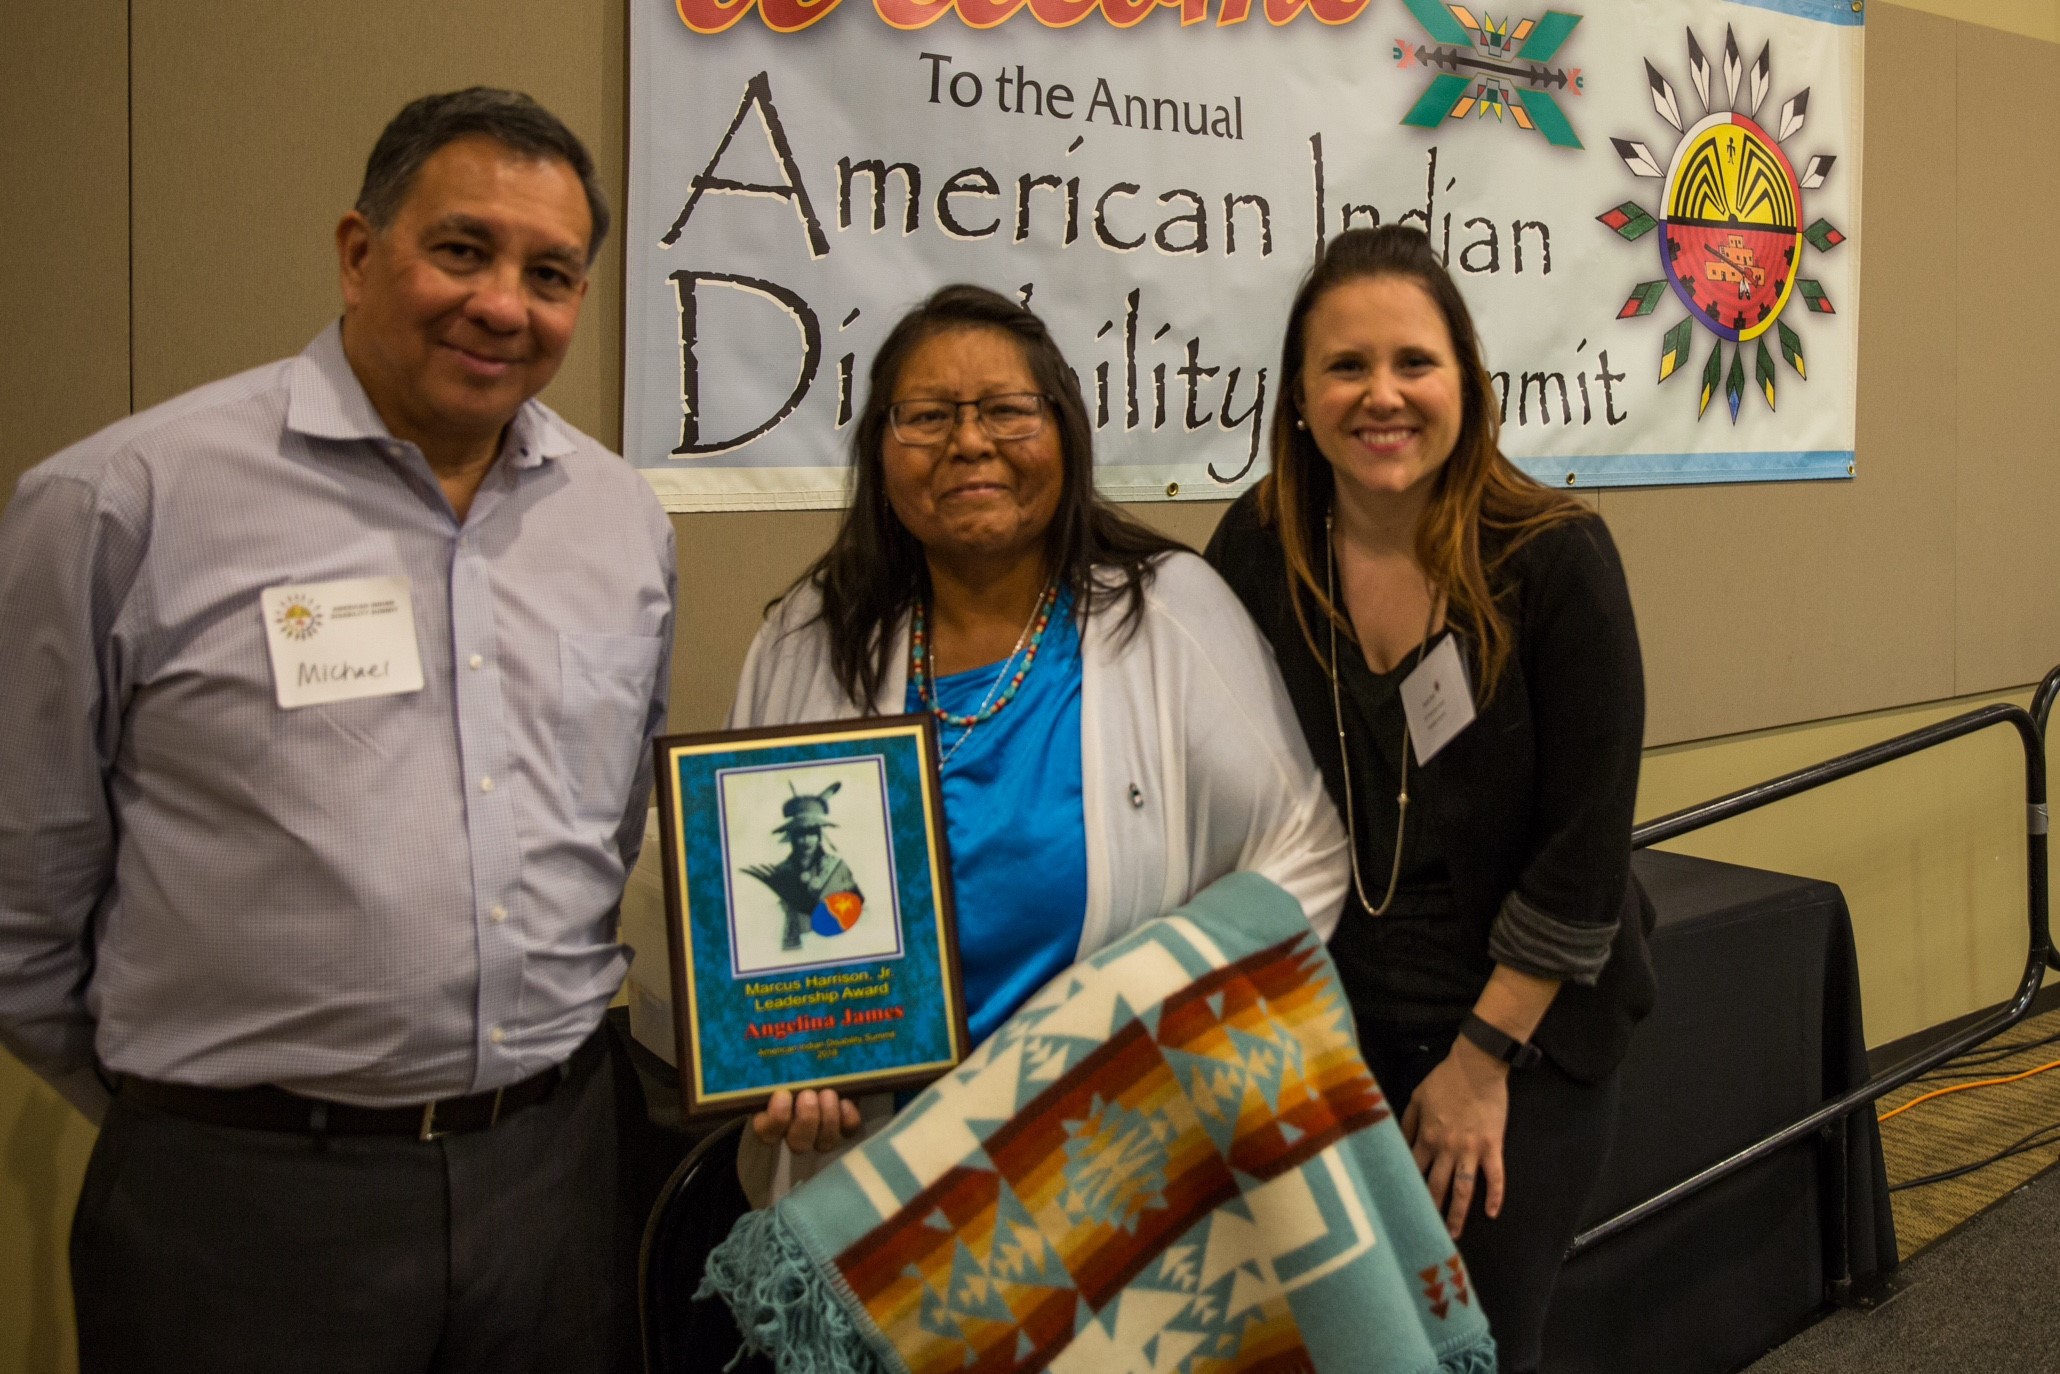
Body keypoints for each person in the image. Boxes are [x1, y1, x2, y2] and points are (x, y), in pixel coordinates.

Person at [0, 88, 674, 1373]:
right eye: (461, 250)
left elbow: (611, 824)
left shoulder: (622, 520)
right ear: (359, 252)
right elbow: (21, 898)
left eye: (551, 273)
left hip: (558, 1181)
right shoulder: (121, 501)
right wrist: (203, 1119)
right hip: (240, 1213)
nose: (502, 304)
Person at [727, 283, 1349, 1189]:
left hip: (1113, 1153)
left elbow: (1305, 856)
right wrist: (791, 1059)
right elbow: (763, 911)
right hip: (875, 1171)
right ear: (879, 451)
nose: (969, 442)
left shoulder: (1168, 611)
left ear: (1063, 431)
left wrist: (1158, 1027)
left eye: (1008, 412)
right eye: (927, 416)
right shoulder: (809, 638)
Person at [1205, 225, 1654, 1373]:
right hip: (1332, 1029)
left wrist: (1476, 1067)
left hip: (1520, 1033)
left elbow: (1585, 844)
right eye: (1344, 367)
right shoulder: (1255, 551)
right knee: (1337, 1348)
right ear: (1299, 397)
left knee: (1475, 1347)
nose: (1381, 395)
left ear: (1465, 382)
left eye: (1413, 362)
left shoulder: (1551, 557)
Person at [744, 785, 862, 950]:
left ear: (819, 837)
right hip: (795, 946)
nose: (807, 840)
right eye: (800, 834)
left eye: (812, 833)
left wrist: (812, 907)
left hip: (837, 945)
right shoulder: (781, 872)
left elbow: (857, 906)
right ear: (792, 838)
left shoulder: (837, 867)